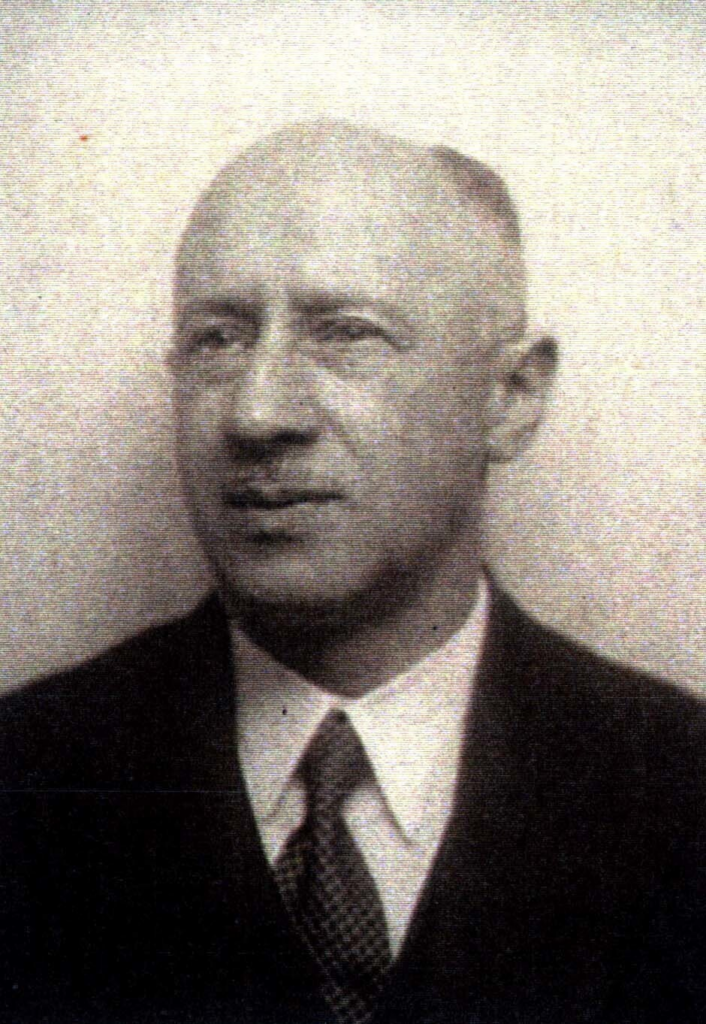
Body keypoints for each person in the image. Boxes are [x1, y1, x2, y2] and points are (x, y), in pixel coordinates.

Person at [1, 122, 704, 1024]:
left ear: (510, 397)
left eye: (347, 334)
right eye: (218, 339)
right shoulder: (25, 783)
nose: (257, 414)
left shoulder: (679, 792)